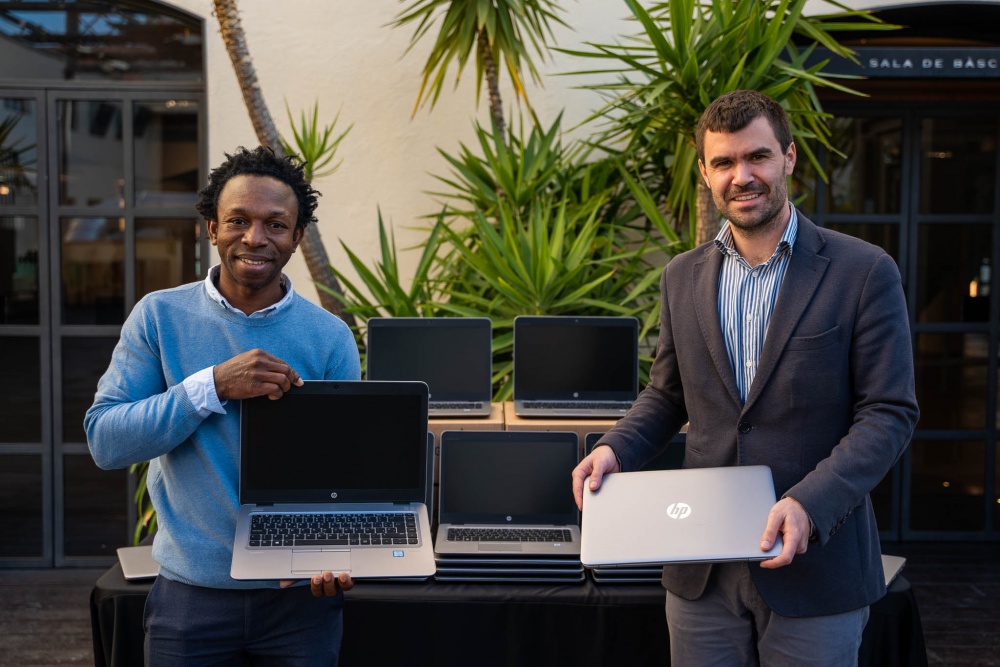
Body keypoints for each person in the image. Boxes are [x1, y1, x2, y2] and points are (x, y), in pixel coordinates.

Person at [572, 90, 918, 666]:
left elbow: (889, 413)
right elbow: (667, 394)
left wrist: (809, 503)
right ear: (705, 172)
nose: (742, 176)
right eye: (725, 163)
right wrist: (615, 448)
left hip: (815, 568)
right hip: (700, 571)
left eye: (756, 157)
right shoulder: (681, 277)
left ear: (789, 157)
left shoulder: (863, 271)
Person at [85, 145, 361, 665]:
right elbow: (106, 441)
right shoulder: (158, 317)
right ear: (211, 228)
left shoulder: (330, 337)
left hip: (299, 600)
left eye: (276, 225)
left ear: (297, 238)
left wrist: (337, 553)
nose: (255, 238)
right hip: (190, 600)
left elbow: (342, 473)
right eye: (238, 220)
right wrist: (212, 385)